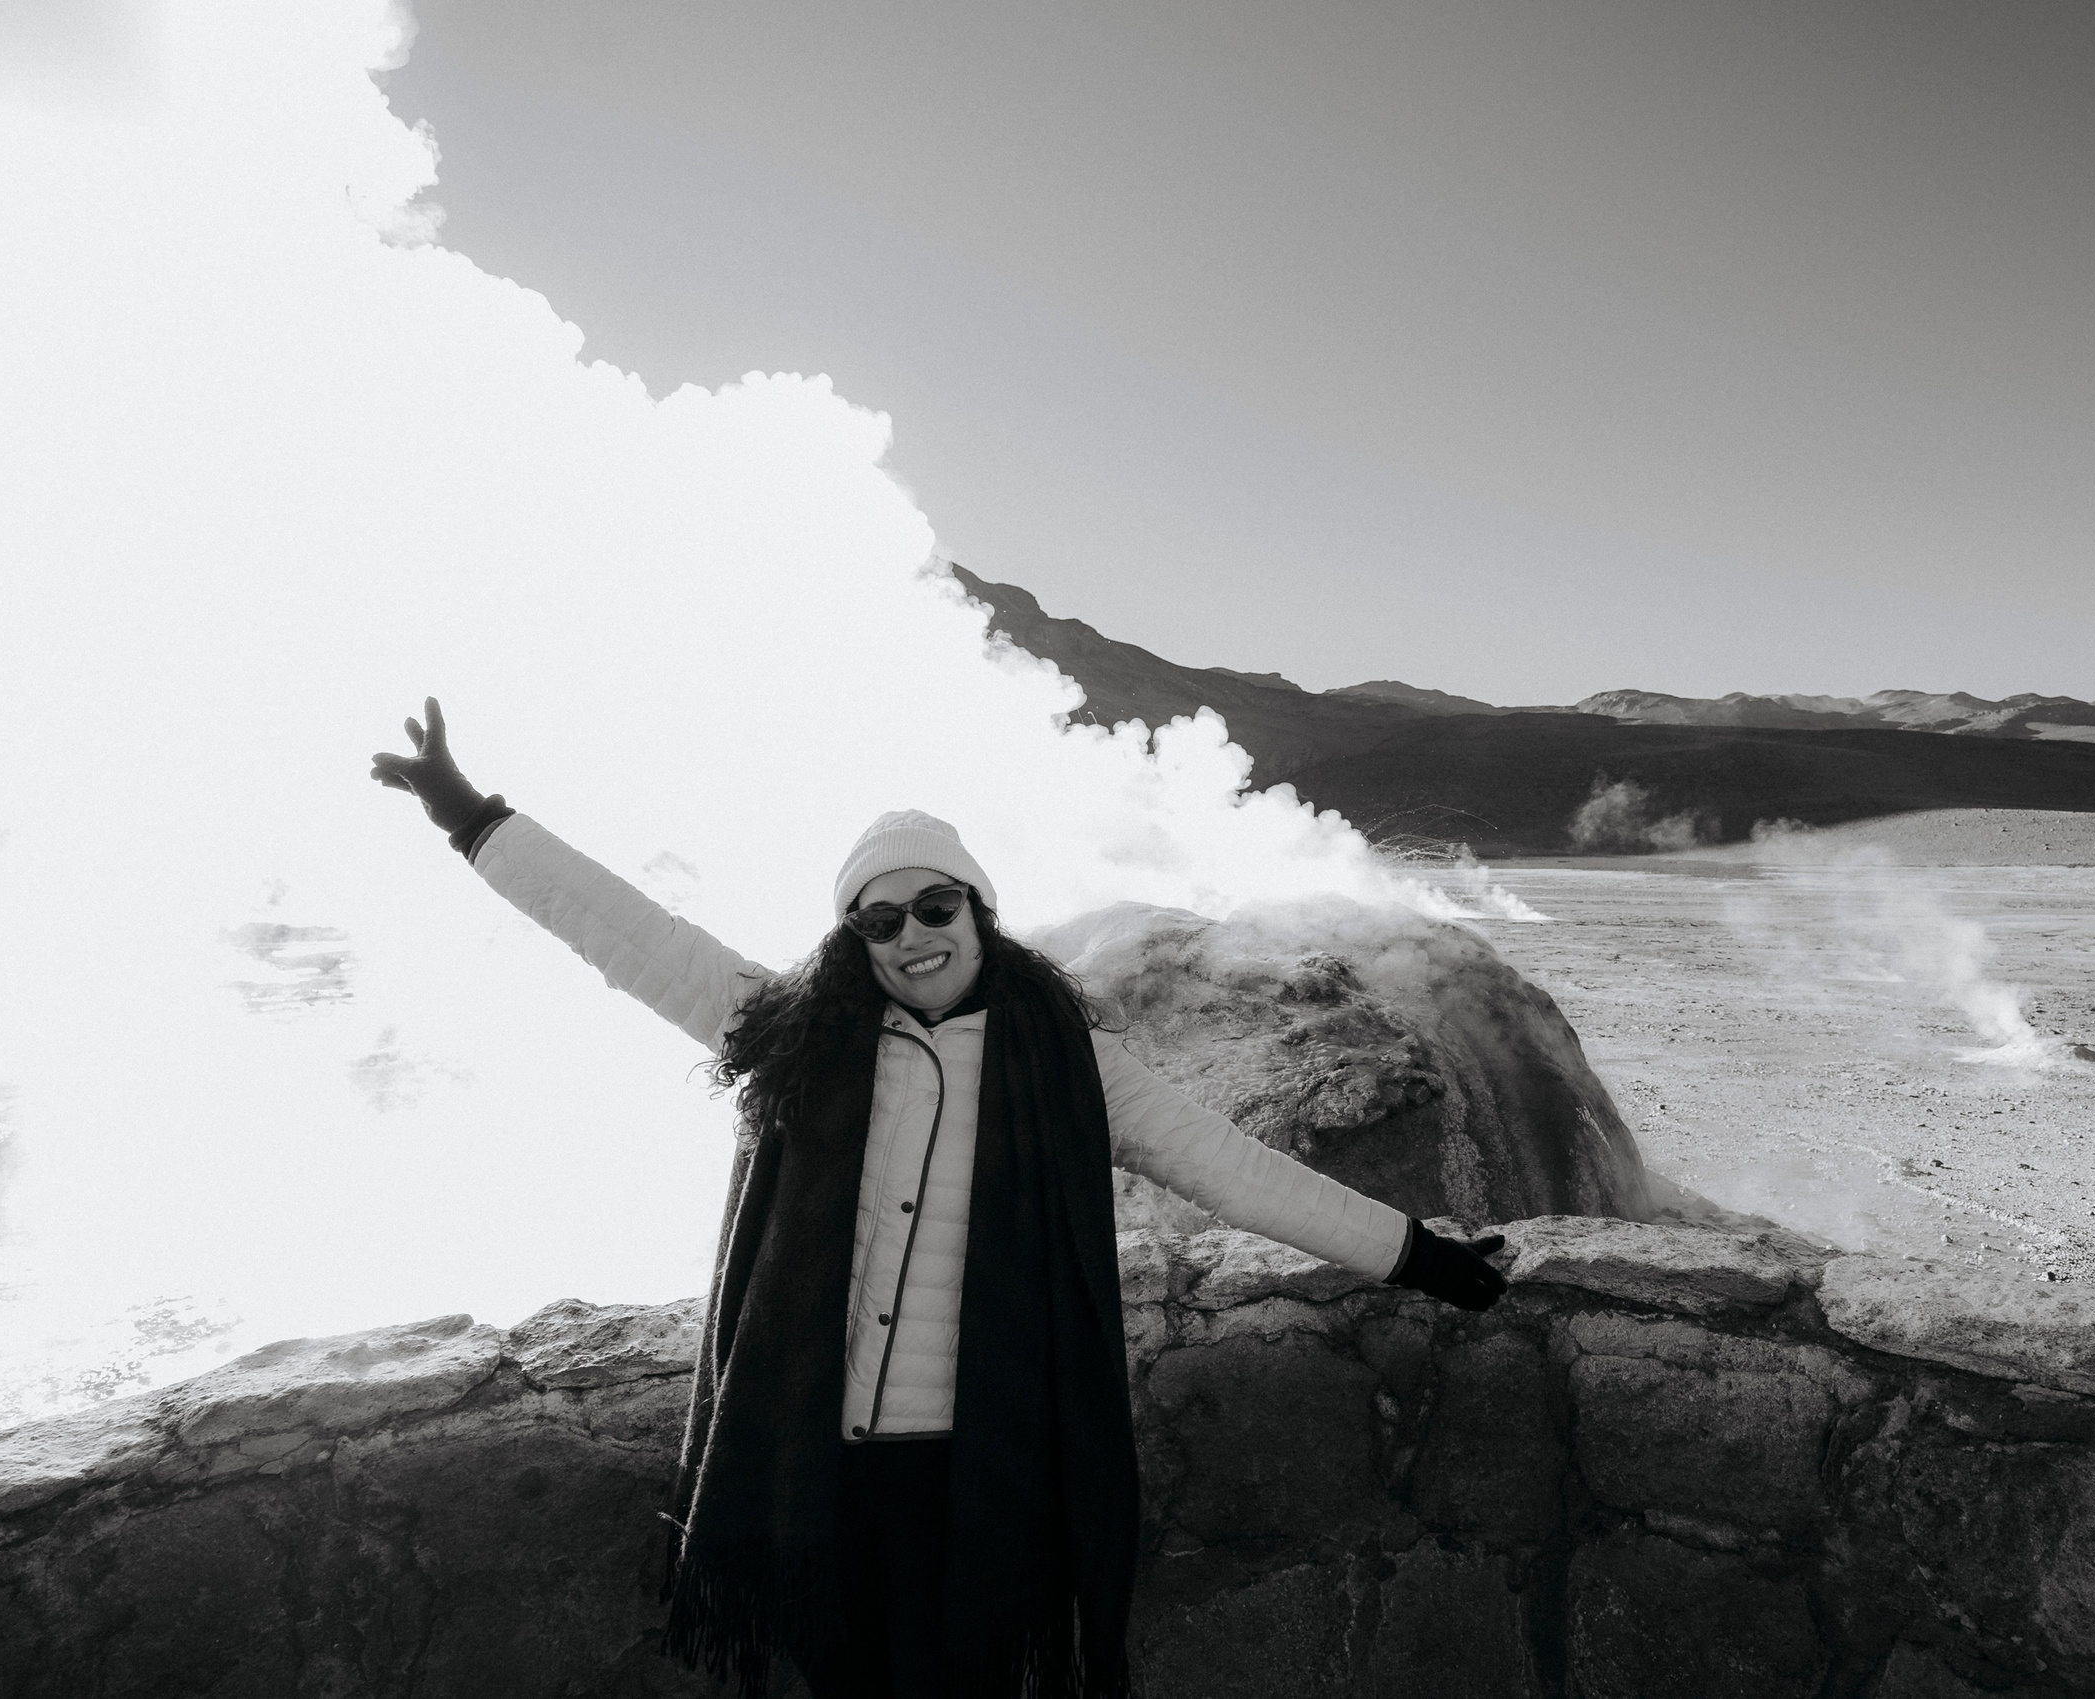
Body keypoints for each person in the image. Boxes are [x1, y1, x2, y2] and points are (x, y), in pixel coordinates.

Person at [371, 698, 1506, 1699]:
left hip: (978, 1471)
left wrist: (1422, 1259)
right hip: (816, 1461)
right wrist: (472, 819)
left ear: (978, 910)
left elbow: (1236, 1171)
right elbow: (625, 932)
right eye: (876, 920)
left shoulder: (1069, 1066)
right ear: (850, 937)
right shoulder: (794, 1035)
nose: (910, 936)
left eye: (933, 907)